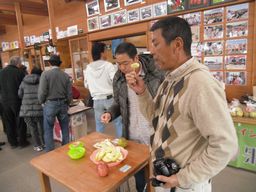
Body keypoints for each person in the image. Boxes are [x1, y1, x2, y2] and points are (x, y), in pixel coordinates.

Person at [125, 16, 238, 192]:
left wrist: (183, 178)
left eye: (155, 43)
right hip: (166, 179)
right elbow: (154, 118)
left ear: (177, 44)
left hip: (186, 185)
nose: (151, 51)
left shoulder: (200, 84)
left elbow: (226, 147)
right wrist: (142, 92)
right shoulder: (169, 80)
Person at [101, 42, 164, 192]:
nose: (122, 68)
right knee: (139, 177)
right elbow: (118, 102)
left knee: (158, 177)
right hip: (132, 135)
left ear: (136, 58)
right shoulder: (119, 78)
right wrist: (110, 113)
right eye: (118, 64)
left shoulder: (156, 72)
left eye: (125, 63)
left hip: (154, 135)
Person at [83, 42, 122, 138]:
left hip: (96, 100)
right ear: (101, 53)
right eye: (105, 51)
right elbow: (116, 81)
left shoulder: (88, 68)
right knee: (118, 121)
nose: (106, 53)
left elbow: (86, 84)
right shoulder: (108, 65)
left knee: (99, 125)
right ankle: (121, 143)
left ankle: (100, 145)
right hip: (109, 99)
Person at [38, 54, 72, 152]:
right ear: (59, 64)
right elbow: (69, 93)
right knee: (65, 127)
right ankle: (66, 148)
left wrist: (41, 101)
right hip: (63, 104)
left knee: (48, 129)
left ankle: (50, 151)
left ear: (49, 63)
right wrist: (68, 103)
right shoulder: (65, 76)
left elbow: (42, 91)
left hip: (50, 104)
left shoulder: (45, 74)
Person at [0, 56, 29, 149]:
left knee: (8, 122)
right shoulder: (19, 72)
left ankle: (13, 142)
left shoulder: (1, 72)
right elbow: (24, 87)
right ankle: (22, 141)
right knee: (20, 121)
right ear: (17, 63)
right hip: (17, 100)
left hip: (4, 101)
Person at [18, 67, 44, 152]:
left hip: (26, 110)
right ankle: (44, 143)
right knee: (41, 127)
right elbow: (44, 94)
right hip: (39, 108)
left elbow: (19, 94)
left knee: (32, 128)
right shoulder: (41, 81)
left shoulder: (23, 81)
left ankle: (37, 146)